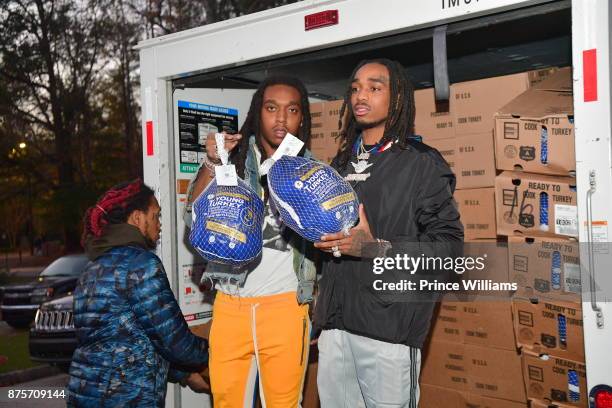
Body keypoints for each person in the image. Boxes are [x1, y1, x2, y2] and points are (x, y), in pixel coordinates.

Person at [313, 59, 464, 407]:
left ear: (397, 99)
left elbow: (450, 251)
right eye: (355, 88)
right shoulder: (338, 166)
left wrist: (375, 249)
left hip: (388, 334)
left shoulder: (422, 163)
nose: (360, 95)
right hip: (335, 329)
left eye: (374, 87)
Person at [184, 76, 316, 407]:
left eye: (292, 110)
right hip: (232, 303)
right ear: (258, 113)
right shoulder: (232, 162)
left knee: (284, 404)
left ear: (303, 118)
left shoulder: (312, 171)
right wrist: (212, 163)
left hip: (286, 305)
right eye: (272, 108)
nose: (281, 119)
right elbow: (193, 217)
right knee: (227, 401)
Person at [68, 179, 209, 407]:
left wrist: (184, 375)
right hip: (126, 399)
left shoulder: (91, 269)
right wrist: (220, 352)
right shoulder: (141, 264)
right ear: (137, 218)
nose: (159, 224)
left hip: (85, 394)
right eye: (155, 216)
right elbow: (175, 342)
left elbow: (124, 341)